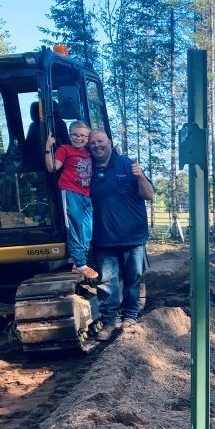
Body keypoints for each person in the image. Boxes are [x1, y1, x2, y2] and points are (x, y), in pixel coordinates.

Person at [87, 128, 154, 341]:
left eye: (100, 141)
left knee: (132, 279)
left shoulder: (127, 164)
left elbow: (149, 194)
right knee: (107, 282)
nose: (97, 145)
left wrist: (140, 175)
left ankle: (130, 317)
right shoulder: (86, 169)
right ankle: (108, 323)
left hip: (133, 236)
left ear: (109, 142)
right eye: (92, 143)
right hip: (103, 238)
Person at [45, 121, 97, 279]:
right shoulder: (65, 150)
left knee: (88, 229)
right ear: (70, 135)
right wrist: (48, 147)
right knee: (74, 226)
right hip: (70, 191)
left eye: (82, 135)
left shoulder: (89, 152)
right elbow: (52, 167)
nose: (79, 138)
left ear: (87, 138)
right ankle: (80, 263)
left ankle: (78, 262)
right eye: (75, 135)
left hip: (86, 193)